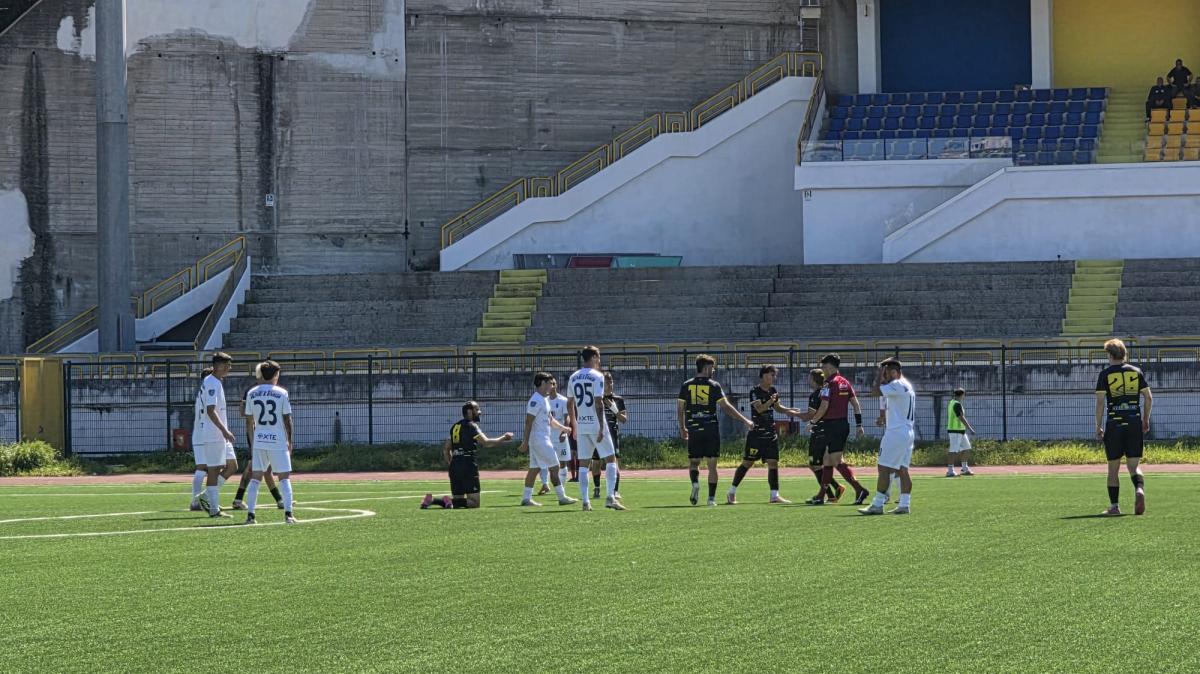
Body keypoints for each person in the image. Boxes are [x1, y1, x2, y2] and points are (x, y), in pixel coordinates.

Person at [676, 355, 754, 506]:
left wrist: (682, 427)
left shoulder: (686, 385)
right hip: (710, 428)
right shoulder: (714, 385)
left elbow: (680, 409)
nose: (713, 371)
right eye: (712, 368)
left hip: (694, 428)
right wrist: (745, 420)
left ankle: (695, 484)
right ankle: (711, 499)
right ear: (706, 368)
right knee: (712, 465)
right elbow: (726, 407)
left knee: (694, 462)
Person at [727, 365, 803, 505]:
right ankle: (731, 491)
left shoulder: (773, 391)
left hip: (770, 433)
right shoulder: (754, 391)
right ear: (763, 375)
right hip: (756, 434)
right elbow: (760, 409)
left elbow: (777, 407)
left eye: (774, 375)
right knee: (747, 463)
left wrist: (789, 410)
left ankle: (774, 495)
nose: (773, 378)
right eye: (771, 375)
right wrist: (770, 401)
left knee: (773, 462)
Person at [1095, 339, 1152, 516]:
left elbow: (1100, 403)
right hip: (1134, 423)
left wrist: (1098, 426)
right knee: (1134, 466)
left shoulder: (1105, 374)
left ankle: (1114, 507)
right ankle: (1139, 489)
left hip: (1115, 424)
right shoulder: (1136, 371)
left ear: (1110, 355)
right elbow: (1148, 397)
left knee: (1113, 468)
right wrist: (1145, 419)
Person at [421, 401, 514, 509]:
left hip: (455, 465)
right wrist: (504, 438)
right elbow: (486, 443)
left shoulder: (455, 426)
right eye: (477, 409)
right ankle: (441, 500)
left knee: (456, 502)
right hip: (468, 464)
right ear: (469, 412)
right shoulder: (472, 426)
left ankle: (433, 500)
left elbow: (446, 449)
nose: (479, 412)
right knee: (474, 503)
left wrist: (452, 464)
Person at [806, 354, 870, 506]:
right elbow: (856, 404)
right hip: (842, 424)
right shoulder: (845, 382)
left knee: (836, 461)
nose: (822, 370)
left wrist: (813, 422)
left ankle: (860, 489)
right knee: (827, 460)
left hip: (832, 425)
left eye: (823, 367)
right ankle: (821, 496)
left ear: (829, 366)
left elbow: (824, 406)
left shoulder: (829, 384)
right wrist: (859, 424)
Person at [567, 347, 625, 511]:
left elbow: (569, 403)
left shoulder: (573, 377)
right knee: (611, 459)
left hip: (582, 424)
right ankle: (610, 497)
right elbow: (598, 401)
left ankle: (586, 502)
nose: (599, 360)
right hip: (596, 424)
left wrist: (574, 424)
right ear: (593, 357)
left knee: (584, 464)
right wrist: (600, 426)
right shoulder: (597, 376)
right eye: (598, 357)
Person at [241, 361, 297, 525]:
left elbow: (249, 422)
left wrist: (252, 444)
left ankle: (250, 516)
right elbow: (287, 419)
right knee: (284, 478)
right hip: (278, 441)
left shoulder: (251, 393)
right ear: (275, 375)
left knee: (255, 478)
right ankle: (288, 515)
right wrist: (290, 441)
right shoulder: (282, 393)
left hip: (259, 441)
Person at [859, 359, 917, 516]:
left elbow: (875, 392)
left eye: (886, 373)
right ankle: (904, 504)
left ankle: (878, 504)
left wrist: (879, 373)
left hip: (895, 432)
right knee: (902, 469)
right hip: (907, 432)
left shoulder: (896, 384)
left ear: (894, 372)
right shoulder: (906, 385)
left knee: (883, 468)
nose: (885, 376)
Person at [519, 372, 578, 507]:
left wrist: (563, 428)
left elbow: (550, 420)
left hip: (541, 439)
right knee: (555, 466)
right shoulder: (535, 400)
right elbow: (528, 422)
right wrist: (525, 441)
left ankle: (526, 498)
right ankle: (562, 497)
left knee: (534, 469)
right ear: (542, 383)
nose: (552, 386)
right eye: (550, 383)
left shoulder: (544, 399)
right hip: (539, 439)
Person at [194, 353, 238, 518]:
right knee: (214, 469)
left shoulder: (215, 382)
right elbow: (210, 410)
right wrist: (224, 430)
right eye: (227, 365)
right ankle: (213, 509)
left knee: (232, 465)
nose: (229, 368)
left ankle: (205, 496)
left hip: (218, 434)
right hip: (214, 434)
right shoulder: (212, 382)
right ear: (218, 365)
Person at [232, 377, 285, 511]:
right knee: (254, 467)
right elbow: (243, 412)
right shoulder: (258, 391)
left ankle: (279, 500)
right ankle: (238, 499)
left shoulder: (254, 391)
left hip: (262, 433)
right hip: (259, 433)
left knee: (266, 469)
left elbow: (243, 411)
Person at [800, 369, 842, 502]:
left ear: (813, 380)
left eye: (809, 378)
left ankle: (830, 493)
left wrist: (793, 413)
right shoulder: (826, 392)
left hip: (818, 433)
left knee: (815, 465)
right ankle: (834, 490)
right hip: (828, 432)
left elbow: (810, 415)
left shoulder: (815, 395)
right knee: (820, 464)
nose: (808, 381)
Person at [600, 371, 628, 500]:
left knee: (614, 462)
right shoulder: (597, 399)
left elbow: (623, 419)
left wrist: (614, 408)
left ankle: (614, 491)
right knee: (595, 462)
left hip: (612, 433)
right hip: (599, 433)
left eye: (611, 381)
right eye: (607, 382)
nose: (610, 384)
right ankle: (595, 489)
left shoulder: (618, 399)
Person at [946, 388, 977, 477]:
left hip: (961, 431)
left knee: (967, 448)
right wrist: (970, 428)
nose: (964, 396)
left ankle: (964, 469)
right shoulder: (956, 404)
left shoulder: (953, 402)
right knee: (953, 450)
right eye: (964, 394)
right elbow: (961, 417)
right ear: (962, 395)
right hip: (955, 430)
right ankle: (950, 471)